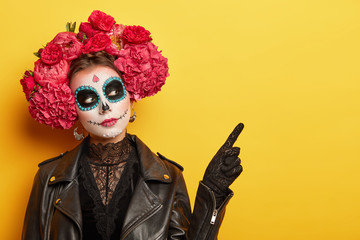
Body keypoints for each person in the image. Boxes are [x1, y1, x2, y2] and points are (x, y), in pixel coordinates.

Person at [20, 10, 244, 240]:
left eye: (114, 91)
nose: (105, 107)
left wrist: (213, 194)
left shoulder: (169, 177)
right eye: (88, 98)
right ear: (71, 109)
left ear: (131, 95)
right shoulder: (49, 178)